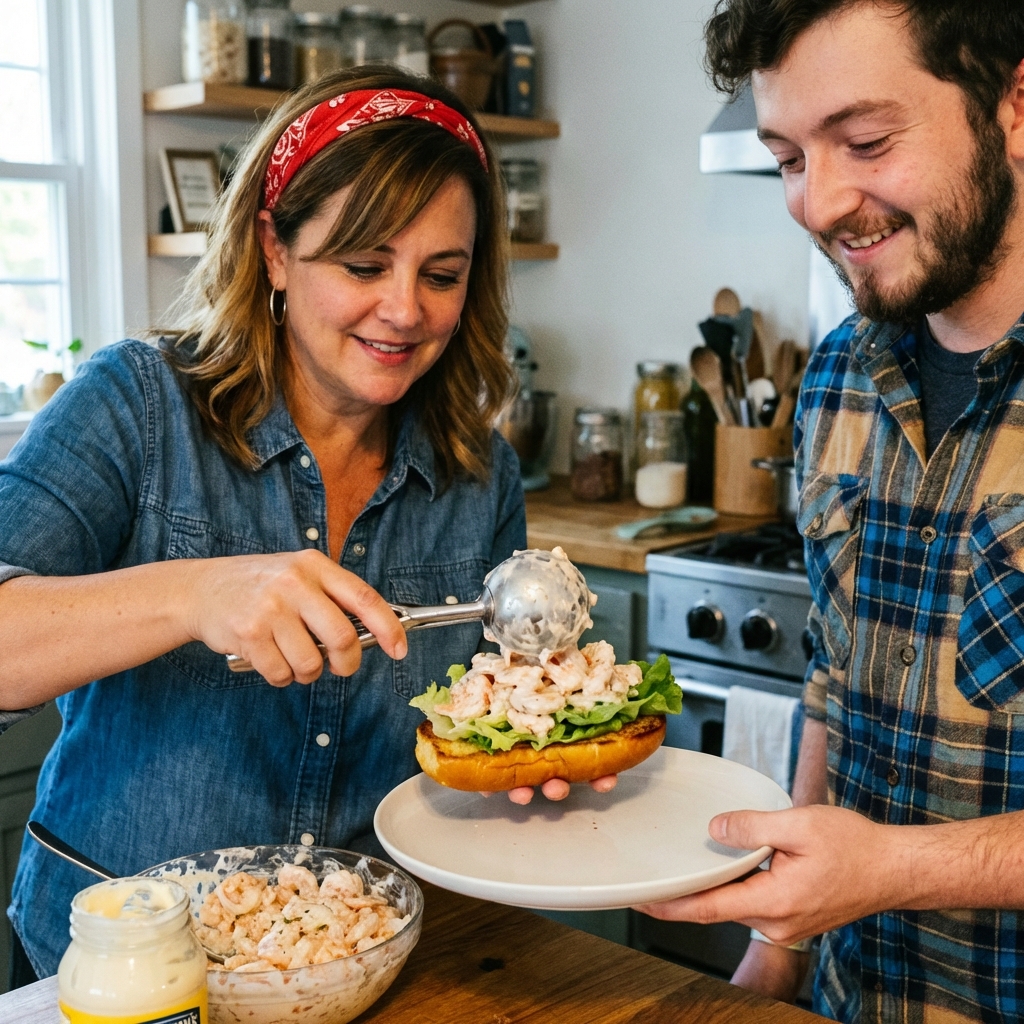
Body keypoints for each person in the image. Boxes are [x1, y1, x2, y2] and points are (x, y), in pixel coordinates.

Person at [0, 65, 571, 987]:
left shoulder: (480, 473)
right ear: (274, 250)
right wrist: (196, 591)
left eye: (442, 275)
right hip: (127, 964)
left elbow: (481, 726)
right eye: (362, 264)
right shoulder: (136, 406)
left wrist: (521, 759)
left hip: (360, 959)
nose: (404, 310)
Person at [637, 2, 1024, 1022]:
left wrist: (894, 867)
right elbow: (834, 678)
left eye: (863, 142)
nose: (817, 203)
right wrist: (780, 947)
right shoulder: (843, 373)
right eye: (786, 159)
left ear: (1014, 105)